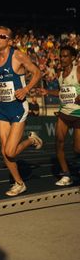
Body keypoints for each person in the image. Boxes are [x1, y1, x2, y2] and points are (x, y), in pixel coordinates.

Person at [0, 26, 43, 197]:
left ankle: (30, 140)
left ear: (9, 40)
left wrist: (26, 89)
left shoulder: (18, 56)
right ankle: (19, 183)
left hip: (18, 107)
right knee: (4, 151)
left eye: (2, 36)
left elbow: (37, 73)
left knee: (10, 151)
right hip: (2, 108)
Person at [39, 45, 80, 186]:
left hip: (78, 115)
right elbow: (62, 92)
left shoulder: (78, 70)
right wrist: (48, 92)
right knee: (58, 143)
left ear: (73, 58)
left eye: (65, 56)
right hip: (63, 114)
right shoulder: (60, 73)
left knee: (77, 149)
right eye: (61, 56)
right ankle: (66, 175)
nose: (62, 59)